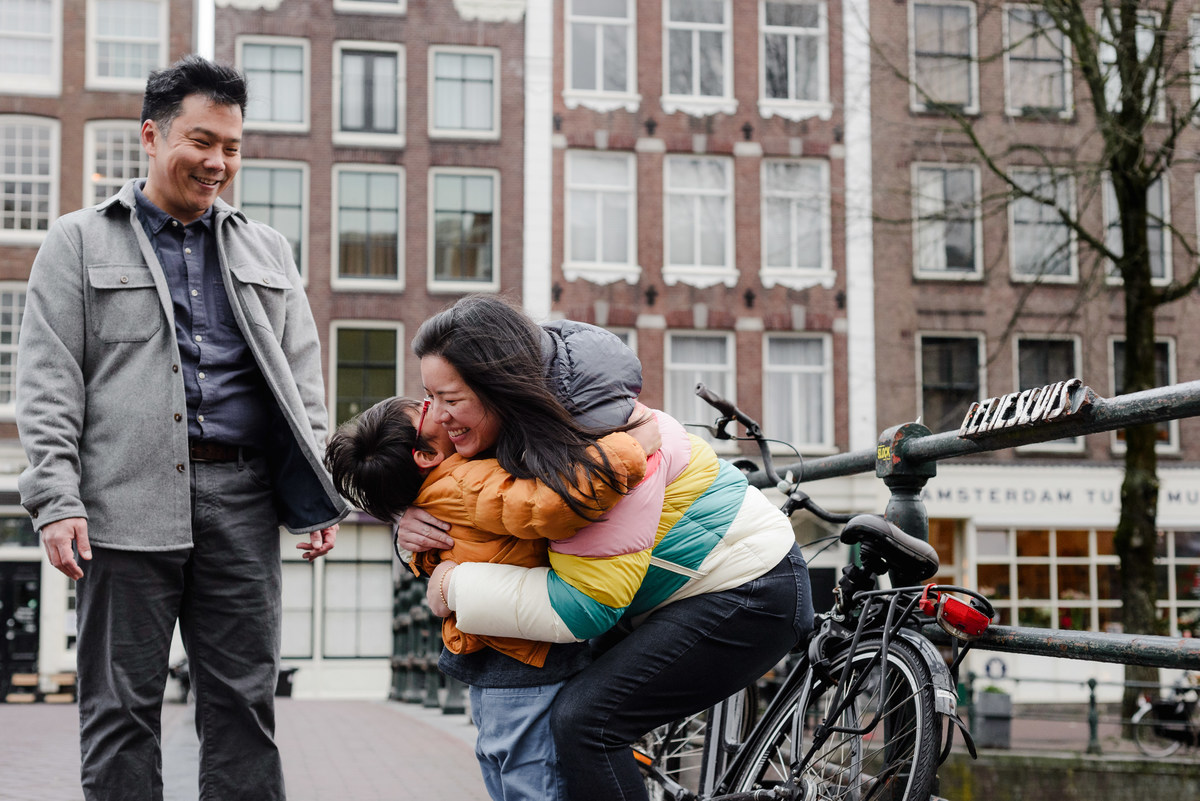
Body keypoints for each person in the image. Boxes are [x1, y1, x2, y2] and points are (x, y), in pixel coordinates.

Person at [15, 55, 348, 801]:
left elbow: (302, 379)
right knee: (120, 710)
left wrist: (319, 486)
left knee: (243, 706)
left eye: (231, 146)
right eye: (202, 141)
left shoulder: (269, 250)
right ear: (151, 135)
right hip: (121, 507)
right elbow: (46, 381)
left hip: (245, 498)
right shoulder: (75, 242)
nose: (217, 162)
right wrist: (57, 498)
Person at [400, 295, 813, 801]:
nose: (437, 418)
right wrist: (412, 524)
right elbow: (482, 507)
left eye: (451, 399)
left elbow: (581, 608)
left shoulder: (599, 454)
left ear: (499, 389)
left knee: (586, 722)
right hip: (673, 590)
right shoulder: (525, 426)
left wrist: (452, 583)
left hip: (748, 593)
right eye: (430, 397)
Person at [325, 394, 656, 800]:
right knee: (537, 783)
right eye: (425, 410)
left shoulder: (440, 486)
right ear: (426, 455)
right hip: (523, 661)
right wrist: (631, 447)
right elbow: (544, 505)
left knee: (509, 773)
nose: (437, 408)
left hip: (495, 660)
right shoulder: (465, 481)